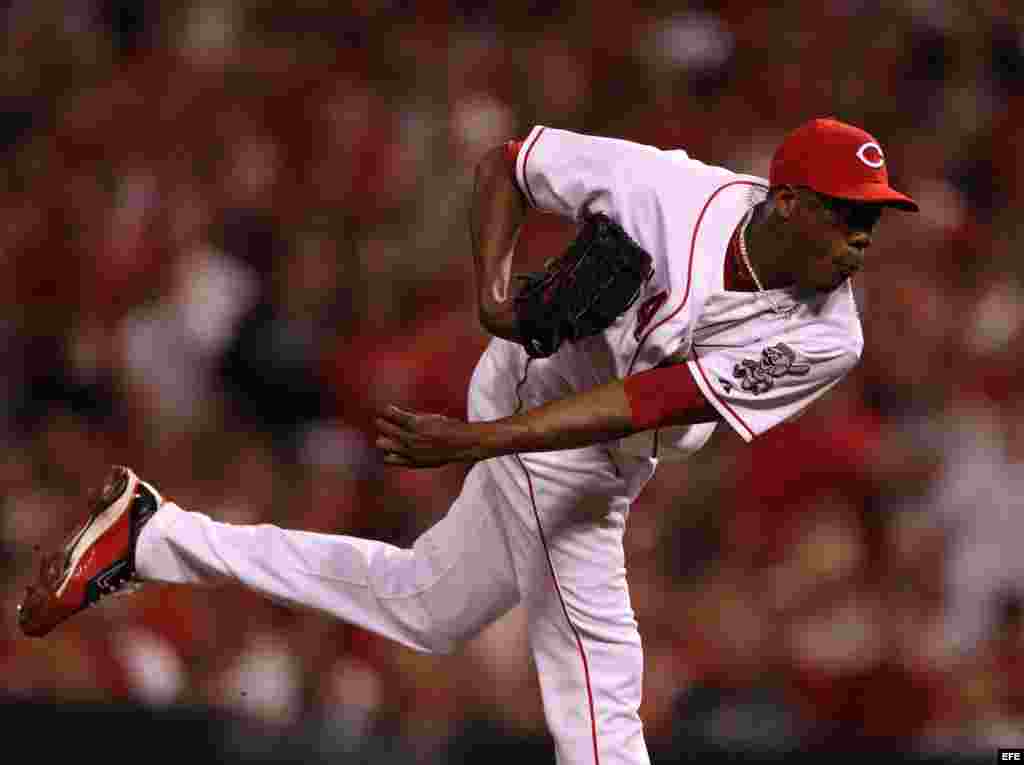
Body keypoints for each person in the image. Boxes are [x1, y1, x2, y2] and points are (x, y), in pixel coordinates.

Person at [20, 117, 918, 765]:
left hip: (593, 433)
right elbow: (512, 162)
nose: (863, 236)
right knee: (600, 677)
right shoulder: (667, 193)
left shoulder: (829, 336)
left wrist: (484, 439)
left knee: (425, 606)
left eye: (874, 216)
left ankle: (157, 535)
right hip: (535, 394)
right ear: (788, 200)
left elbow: (647, 401)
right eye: (849, 212)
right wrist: (492, 296)